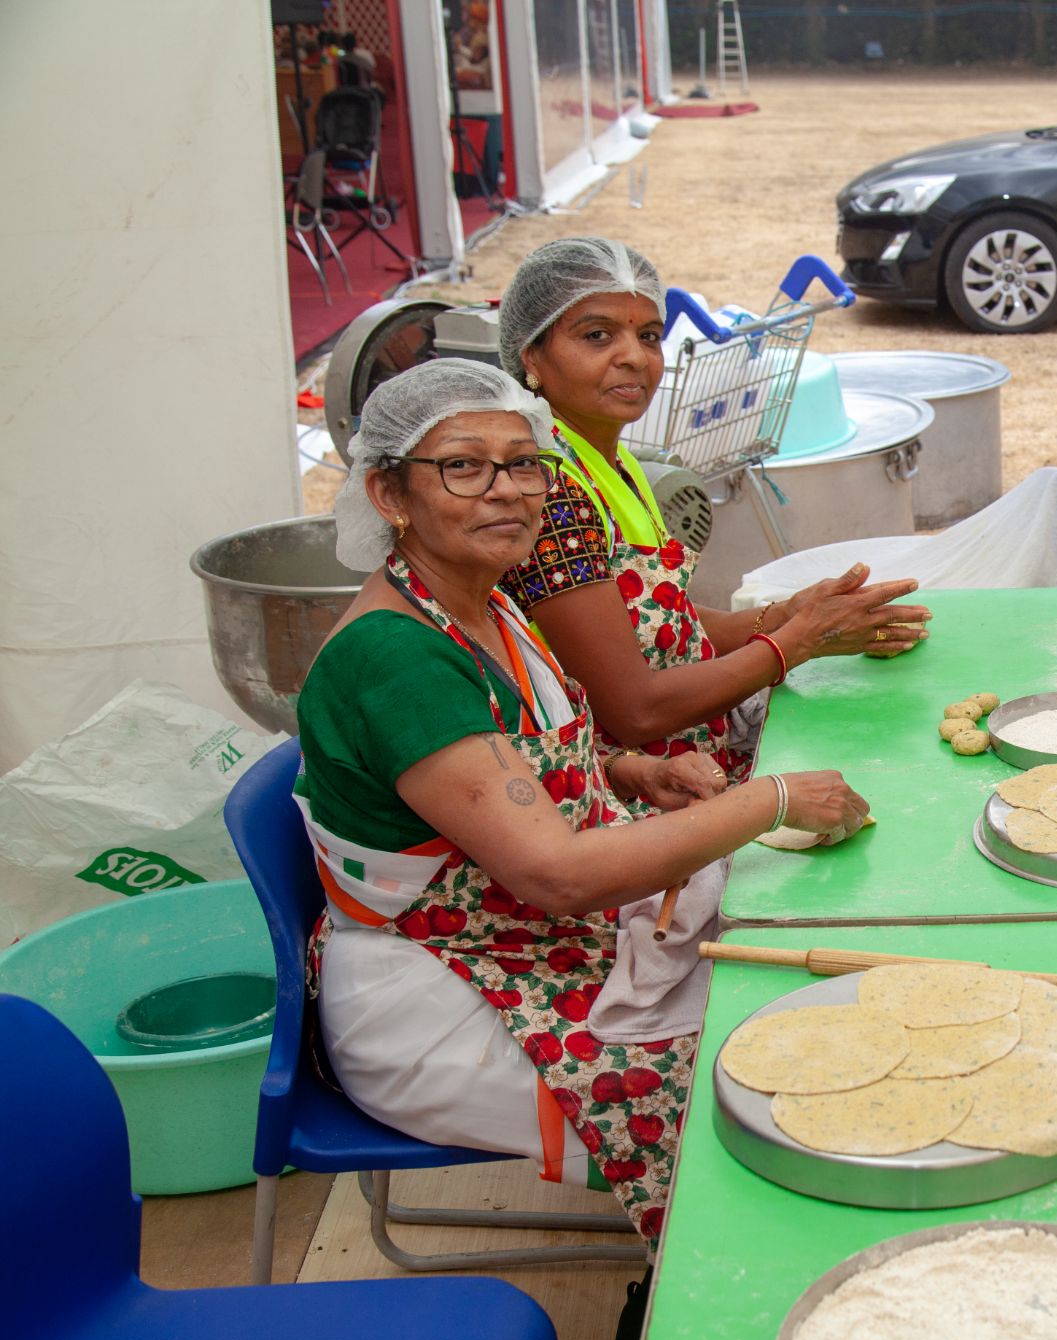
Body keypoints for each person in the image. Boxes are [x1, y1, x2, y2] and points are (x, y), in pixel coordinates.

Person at [298, 360, 869, 1247]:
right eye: (463, 466)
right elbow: (558, 875)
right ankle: (724, 1281)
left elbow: (502, 759)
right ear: (388, 494)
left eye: (525, 464)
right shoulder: (395, 658)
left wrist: (628, 770)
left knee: (784, 1000)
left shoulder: (481, 604)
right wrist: (774, 798)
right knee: (750, 1085)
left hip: (533, 940)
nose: (506, 489)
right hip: (448, 992)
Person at [494, 237, 930, 792]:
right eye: (597, 335)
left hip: (691, 757)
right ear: (531, 356)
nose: (635, 357)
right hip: (628, 790)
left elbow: (662, 623)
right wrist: (800, 641)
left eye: (648, 335)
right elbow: (635, 711)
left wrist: (789, 613)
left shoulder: (608, 460)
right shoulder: (547, 488)